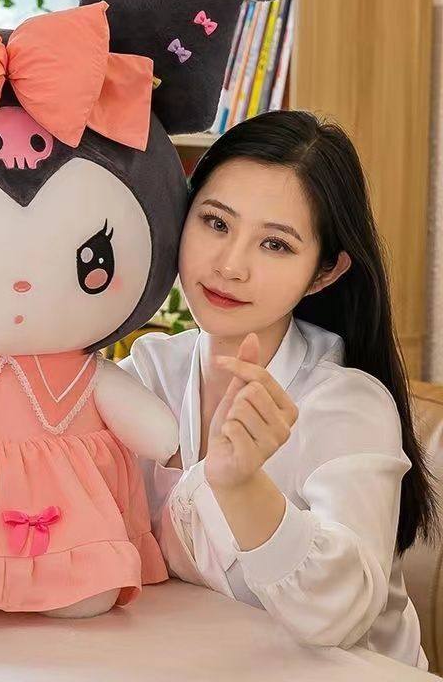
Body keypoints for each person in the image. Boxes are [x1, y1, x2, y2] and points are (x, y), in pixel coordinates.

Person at [119, 109, 437, 668]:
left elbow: (341, 616)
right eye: (216, 223)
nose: (230, 266)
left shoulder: (347, 404)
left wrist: (243, 487)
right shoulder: (150, 371)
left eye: (275, 245)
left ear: (324, 273)